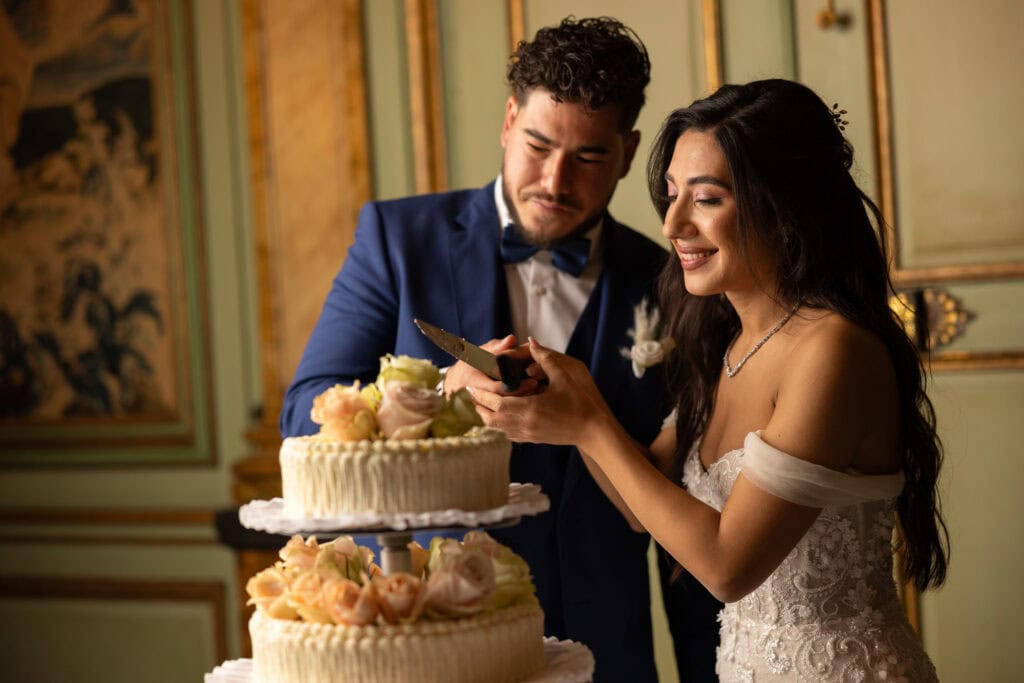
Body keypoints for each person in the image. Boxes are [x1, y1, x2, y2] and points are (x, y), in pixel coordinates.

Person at [280, 16, 722, 682]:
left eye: (589, 157)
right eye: (538, 145)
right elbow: (304, 411)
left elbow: (693, 507)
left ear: (628, 154)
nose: (554, 179)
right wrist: (432, 399)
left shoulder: (673, 279)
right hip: (434, 637)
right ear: (510, 118)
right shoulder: (398, 241)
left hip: (609, 652)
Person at [471, 78, 950, 681]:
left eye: (707, 199)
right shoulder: (728, 343)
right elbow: (642, 508)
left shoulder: (834, 351)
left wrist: (592, 427)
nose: (672, 223)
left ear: (785, 208)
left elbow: (727, 565)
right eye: (671, 195)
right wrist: (574, 400)